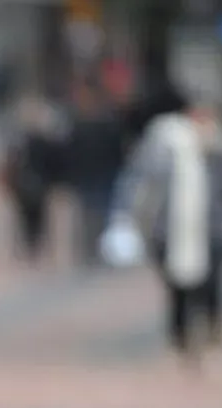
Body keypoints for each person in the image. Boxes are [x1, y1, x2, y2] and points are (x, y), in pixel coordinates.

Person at [111, 93, 222, 377]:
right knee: (177, 291)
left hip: (212, 231)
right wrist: (126, 218)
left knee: (212, 290)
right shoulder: (161, 143)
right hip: (169, 231)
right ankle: (179, 345)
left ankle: (214, 347)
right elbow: (138, 181)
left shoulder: (221, 147)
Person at [64, 80, 127, 267]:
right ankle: (90, 251)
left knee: (103, 214)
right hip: (87, 176)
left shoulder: (107, 122)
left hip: (104, 174)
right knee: (88, 215)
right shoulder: (79, 124)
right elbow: (71, 152)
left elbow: (116, 149)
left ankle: (102, 250)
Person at [1, 95, 64, 264]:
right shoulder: (26, 142)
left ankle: (32, 246)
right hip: (31, 184)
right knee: (33, 217)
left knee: (33, 217)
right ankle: (33, 246)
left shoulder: (31, 142)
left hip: (33, 183)